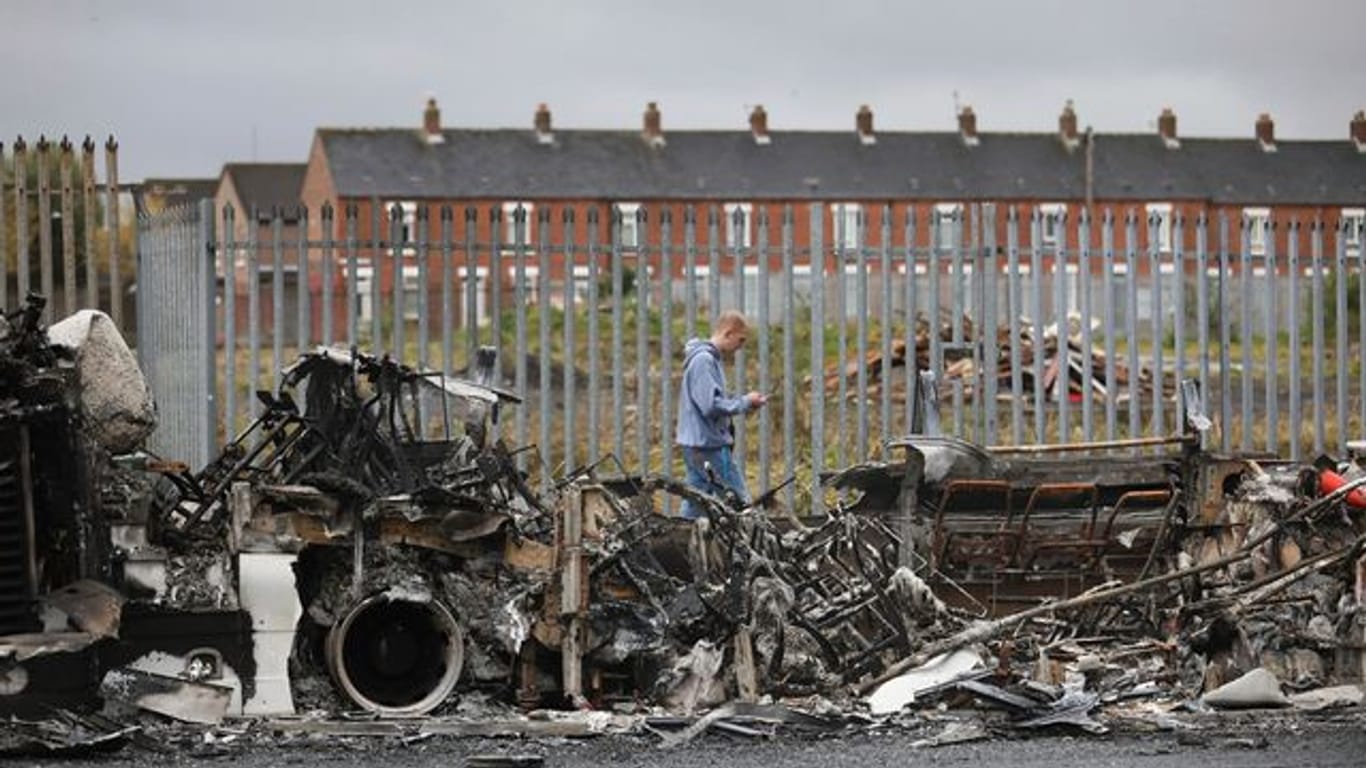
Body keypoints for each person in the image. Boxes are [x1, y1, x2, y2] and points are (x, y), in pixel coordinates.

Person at [674, 310, 767, 519]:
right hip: (709, 445)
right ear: (728, 332)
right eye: (740, 340)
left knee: (695, 503)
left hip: (697, 443)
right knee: (739, 502)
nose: (740, 347)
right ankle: (754, 547)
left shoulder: (708, 359)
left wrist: (744, 402)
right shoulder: (704, 360)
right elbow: (710, 405)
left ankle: (677, 544)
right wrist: (745, 402)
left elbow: (711, 399)